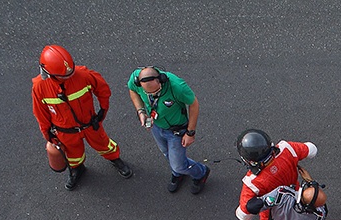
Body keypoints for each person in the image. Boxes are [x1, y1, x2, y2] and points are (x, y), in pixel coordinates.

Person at [32, 45, 133, 190]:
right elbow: (40, 112)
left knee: (103, 144)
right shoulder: (40, 87)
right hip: (65, 131)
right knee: (73, 154)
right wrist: (48, 135)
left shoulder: (83, 74)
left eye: (70, 73)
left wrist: (102, 111)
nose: (68, 77)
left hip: (90, 124)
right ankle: (77, 169)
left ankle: (115, 158)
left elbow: (102, 89)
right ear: (47, 72)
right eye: (64, 76)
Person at [234, 129, 319, 220]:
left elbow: (244, 215)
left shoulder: (252, 182)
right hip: (298, 204)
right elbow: (311, 149)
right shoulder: (287, 149)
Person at [127, 66, 210, 194]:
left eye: (156, 91)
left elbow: (194, 104)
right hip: (156, 126)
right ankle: (178, 172)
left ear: (161, 80)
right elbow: (132, 90)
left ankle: (200, 172)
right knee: (166, 152)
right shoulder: (135, 78)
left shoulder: (177, 87)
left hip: (176, 131)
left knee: (178, 164)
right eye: (148, 94)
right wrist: (141, 111)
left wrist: (190, 132)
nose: (153, 96)